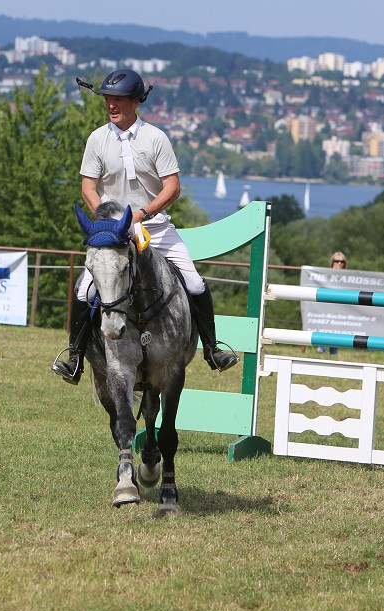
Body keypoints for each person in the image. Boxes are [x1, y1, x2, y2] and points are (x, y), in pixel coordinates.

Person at [52, 68, 239, 384]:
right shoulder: (97, 139)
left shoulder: (156, 138)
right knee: (85, 289)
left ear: (135, 102)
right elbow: (88, 187)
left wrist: (142, 214)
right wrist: (107, 223)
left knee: (193, 282)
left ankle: (212, 350)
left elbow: (172, 188)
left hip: (156, 228)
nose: (111, 105)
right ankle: (74, 358)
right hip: (112, 233)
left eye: (119, 100)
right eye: (108, 99)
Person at [317, 252, 348, 355]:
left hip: (341, 306)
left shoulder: (349, 277)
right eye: (336, 261)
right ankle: (322, 346)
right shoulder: (325, 275)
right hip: (327, 306)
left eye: (342, 261)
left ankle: (333, 350)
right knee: (326, 324)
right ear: (332, 262)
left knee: (337, 327)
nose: (339, 263)